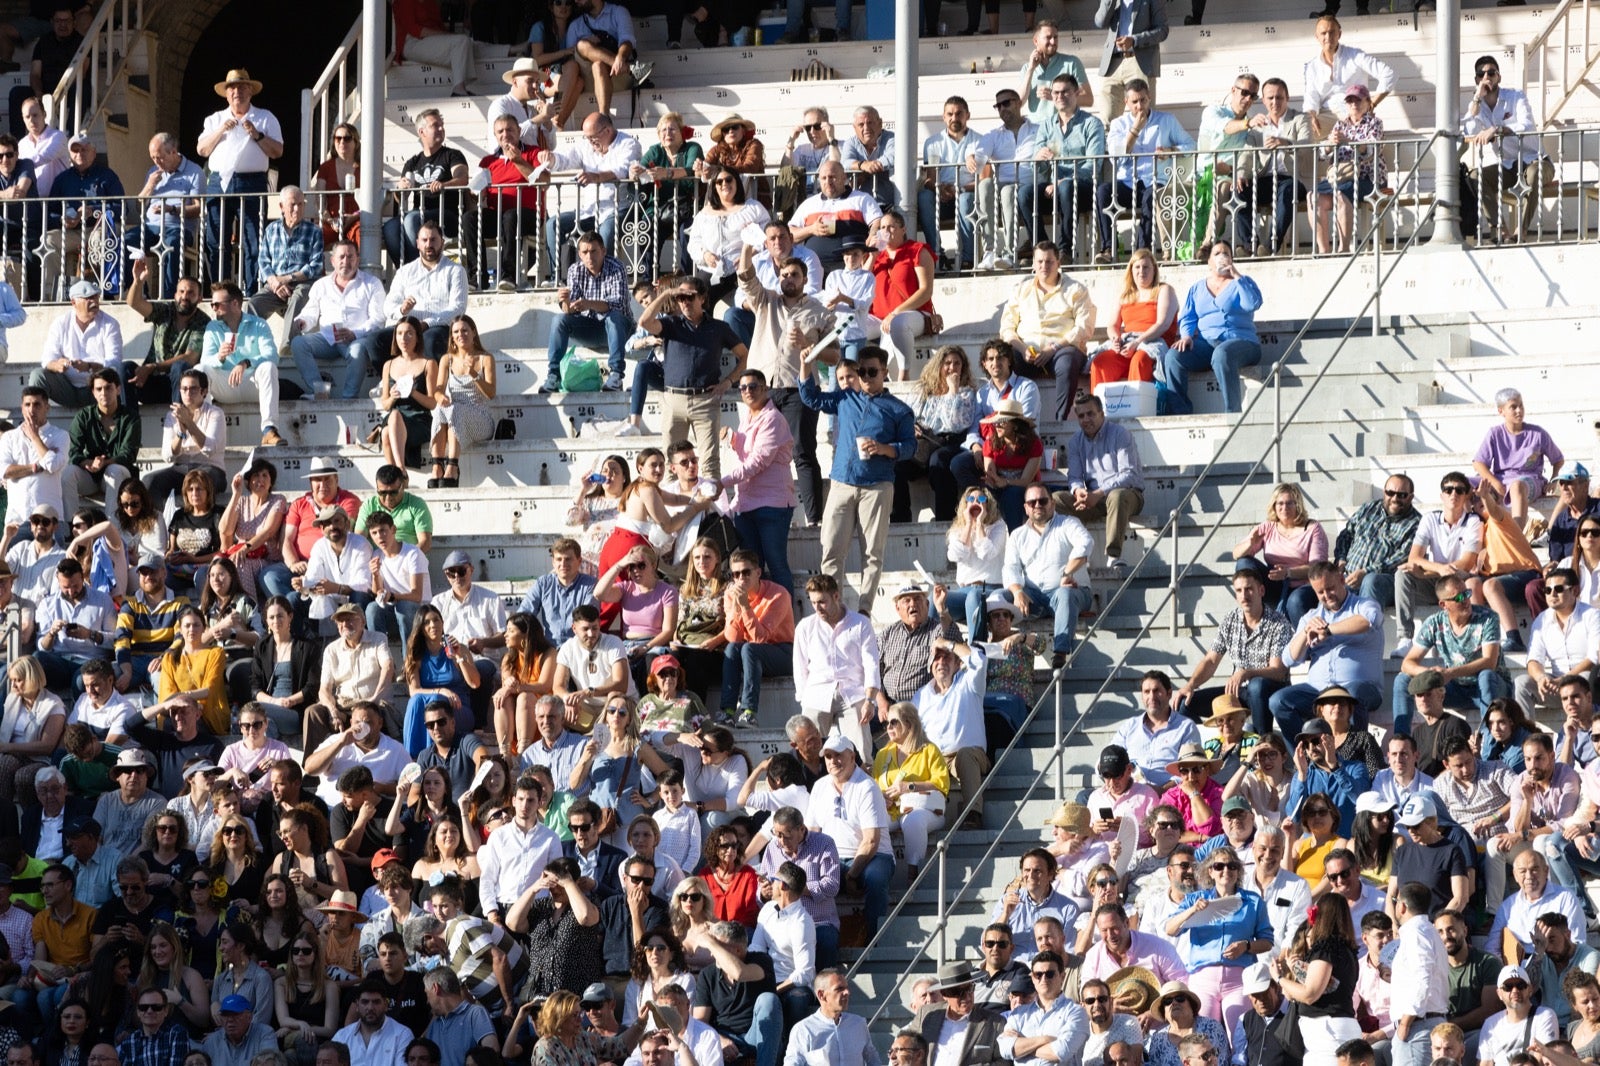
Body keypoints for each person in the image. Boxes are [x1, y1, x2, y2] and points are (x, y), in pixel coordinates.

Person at [800, 345, 913, 615]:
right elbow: (811, 398)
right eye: (861, 372)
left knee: (872, 554)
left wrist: (886, 449)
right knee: (830, 549)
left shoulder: (899, 410)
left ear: (885, 372)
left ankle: (863, 611)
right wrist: (805, 365)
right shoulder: (846, 398)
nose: (866, 377)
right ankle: (830, 608)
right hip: (842, 482)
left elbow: (910, 446)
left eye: (872, 372)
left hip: (877, 486)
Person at [1269, 563, 1385, 738]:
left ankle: (1353, 756)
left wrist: (1329, 630)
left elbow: (1368, 621)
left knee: (1349, 696)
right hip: (1319, 691)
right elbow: (1288, 660)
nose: (1326, 595)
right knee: (1278, 701)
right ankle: (1305, 760)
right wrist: (1305, 633)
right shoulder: (1311, 617)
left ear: (1341, 579)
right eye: (1320, 592)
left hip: (1361, 688)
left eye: (1330, 588)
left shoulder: (1364, 604)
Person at [197, 69, 281, 292]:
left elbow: (277, 151)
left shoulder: (265, 117)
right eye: (232, 88)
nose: (237, 92)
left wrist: (257, 135)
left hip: (252, 182)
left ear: (250, 92)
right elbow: (202, 150)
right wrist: (220, 131)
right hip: (218, 183)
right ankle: (219, 289)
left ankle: (251, 289)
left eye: (242, 87)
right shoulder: (215, 118)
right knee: (216, 241)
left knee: (253, 239)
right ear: (226, 94)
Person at [1095, 81, 1192, 262]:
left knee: (1150, 197)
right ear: (1126, 102)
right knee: (1103, 192)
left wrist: (1171, 151)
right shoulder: (1118, 124)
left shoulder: (1166, 120)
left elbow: (1190, 145)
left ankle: (1142, 251)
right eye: (1134, 102)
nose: (1140, 106)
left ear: (1149, 98)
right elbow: (1117, 157)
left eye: (1143, 100)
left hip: (1156, 180)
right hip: (1127, 182)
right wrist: (1135, 130)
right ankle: (1108, 248)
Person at [1165, 241, 1264, 416]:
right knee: (1173, 356)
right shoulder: (1197, 288)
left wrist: (1236, 275)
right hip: (1206, 344)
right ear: (1209, 262)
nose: (1222, 256)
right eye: (1217, 253)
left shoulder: (1242, 282)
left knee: (1222, 354)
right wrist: (1187, 336)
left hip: (1241, 342)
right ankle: (1180, 412)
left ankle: (1232, 413)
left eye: (1226, 253)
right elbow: (1187, 317)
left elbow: (1252, 304)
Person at [1003, 485, 1093, 671]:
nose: (1038, 505)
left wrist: (1067, 573)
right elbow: (1010, 567)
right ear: (1026, 508)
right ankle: (994, 646)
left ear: (1052, 504)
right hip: (1033, 597)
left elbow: (1085, 544)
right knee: (999, 597)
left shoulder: (1069, 523)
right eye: (1032, 502)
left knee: (1064, 594)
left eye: (1042, 501)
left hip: (1071, 592)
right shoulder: (1017, 535)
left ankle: (1060, 652)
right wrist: (1018, 591)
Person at [1462, 56, 1551, 245]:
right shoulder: (1479, 107)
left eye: (1491, 73)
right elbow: (1468, 131)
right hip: (1510, 166)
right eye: (1481, 74)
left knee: (1536, 173)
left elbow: (1526, 125)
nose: (1487, 77)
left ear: (1499, 77)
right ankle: (1500, 230)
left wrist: (1497, 129)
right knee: (1475, 177)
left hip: (1536, 160)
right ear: (1477, 79)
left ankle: (1521, 230)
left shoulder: (1515, 96)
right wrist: (1477, 97)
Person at [999, 243, 1094, 419]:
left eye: (1049, 261)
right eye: (1040, 261)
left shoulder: (1076, 290)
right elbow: (1007, 327)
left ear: (1058, 263)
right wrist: (1022, 349)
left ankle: (1061, 419)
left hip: (1063, 349)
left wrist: (1054, 348)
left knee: (1067, 363)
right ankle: (1014, 421)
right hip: (1028, 351)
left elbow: (1083, 327)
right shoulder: (1020, 289)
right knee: (1005, 360)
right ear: (1033, 264)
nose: (1044, 266)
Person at [289, 240, 385, 401]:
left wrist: (355, 333)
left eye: (350, 257)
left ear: (357, 259)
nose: (345, 261)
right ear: (332, 260)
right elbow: (310, 312)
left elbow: (378, 319)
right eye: (341, 257)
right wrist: (303, 322)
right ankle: (319, 392)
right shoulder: (321, 285)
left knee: (357, 351)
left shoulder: (372, 283)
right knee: (298, 343)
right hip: (327, 338)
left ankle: (348, 398)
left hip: (358, 338)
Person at [545, 112, 642, 265]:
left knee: (606, 233)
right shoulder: (586, 146)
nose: (590, 141)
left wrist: (596, 177)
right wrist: (551, 159)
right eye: (587, 137)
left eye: (592, 137)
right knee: (552, 224)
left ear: (607, 131)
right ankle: (555, 278)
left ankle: (605, 277)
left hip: (619, 208)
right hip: (589, 211)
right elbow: (566, 160)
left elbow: (623, 170)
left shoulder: (629, 144)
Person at [200, 280, 286, 448]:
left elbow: (272, 356)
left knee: (268, 367)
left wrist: (246, 362)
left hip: (252, 384)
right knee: (200, 370)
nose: (214, 308)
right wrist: (219, 357)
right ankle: (204, 431)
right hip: (225, 385)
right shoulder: (212, 327)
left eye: (217, 304)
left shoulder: (259, 323)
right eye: (212, 304)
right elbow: (205, 361)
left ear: (234, 304)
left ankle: (269, 430)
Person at [386, 109, 471, 267]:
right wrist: (401, 188)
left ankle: (420, 271)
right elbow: (400, 198)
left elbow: (462, 178)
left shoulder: (452, 155)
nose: (441, 129)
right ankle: (409, 272)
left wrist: (444, 184)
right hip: (421, 214)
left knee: (411, 219)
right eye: (435, 125)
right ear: (421, 132)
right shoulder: (413, 162)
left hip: (447, 215)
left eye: (442, 125)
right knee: (391, 227)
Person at [1311, 84, 1384, 255]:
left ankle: (1343, 248)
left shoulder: (1374, 123)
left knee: (1340, 196)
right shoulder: (1340, 125)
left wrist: (1349, 140)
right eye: (1350, 101)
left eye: (1358, 100)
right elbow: (1322, 154)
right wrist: (1329, 144)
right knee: (1312, 197)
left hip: (1367, 178)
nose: (1353, 104)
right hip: (1340, 177)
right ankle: (1323, 250)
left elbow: (1372, 151)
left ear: (1367, 102)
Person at [30, 284, 123, 413]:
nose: (94, 302)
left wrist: (90, 366)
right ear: (73, 302)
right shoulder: (60, 323)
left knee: (122, 375)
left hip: (97, 390)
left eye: (96, 297)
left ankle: (120, 424)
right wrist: (57, 365)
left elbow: (114, 364)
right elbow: (47, 359)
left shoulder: (110, 324)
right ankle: (34, 427)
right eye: (88, 298)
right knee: (38, 376)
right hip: (67, 388)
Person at [867, 210, 937, 382]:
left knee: (897, 323)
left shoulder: (917, 250)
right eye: (882, 227)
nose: (886, 231)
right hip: (879, 317)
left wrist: (896, 311)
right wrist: (871, 255)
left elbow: (925, 290)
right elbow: (860, 286)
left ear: (903, 229)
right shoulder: (877, 257)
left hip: (913, 313)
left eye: (891, 227)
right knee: (850, 325)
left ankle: (903, 374)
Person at [427, 316, 496, 490]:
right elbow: (438, 389)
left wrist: (473, 373)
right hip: (454, 414)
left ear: (473, 332)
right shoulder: (446, 359)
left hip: (481, 418)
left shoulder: (485, 358)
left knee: (454, 409)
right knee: (440, 409)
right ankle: (437, 466)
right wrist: (439, 397)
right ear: (451, 336)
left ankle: (452, 467)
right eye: (456, 331)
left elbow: (491, 394)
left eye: (465, 330)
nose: (461, 335)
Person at [1, 390, 69, 559]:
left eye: (37, 404)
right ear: (21, 408)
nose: (32, 409)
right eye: (27, 404)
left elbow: (53, 465)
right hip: (18, 519)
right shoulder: (9, 437)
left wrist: (34, 436)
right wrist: (36, 466)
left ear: (47, 407)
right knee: (15, 576)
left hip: (50, 519)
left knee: (54, 572)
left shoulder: (60, 435)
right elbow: (5, 471)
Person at [1302, 18, 1394, 140]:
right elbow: (1311, 96)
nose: (1328, 36)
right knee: (1303, 130)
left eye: (1332, 32)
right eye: (1323, 33)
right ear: (1317, 37)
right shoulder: (1312, 66)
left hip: (1354, 112)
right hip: (1327, 115)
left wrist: (1372, 103)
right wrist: (1311, 116)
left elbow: (1388, 74)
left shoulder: (1355, 55)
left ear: (1339, 34)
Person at [917, 97, 978, 272]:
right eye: (950, 114)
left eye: (959, 114)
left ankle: (968, 259)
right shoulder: (933, 142)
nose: (954, 118)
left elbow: (984, 180)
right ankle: (937, 254)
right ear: (943, 117)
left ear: (968, 115)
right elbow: (930, 177)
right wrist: (939, 188)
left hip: (969, 196)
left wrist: (960, 189)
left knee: (966, 200)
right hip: (942, 198)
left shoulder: (979, 141)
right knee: (924, 196)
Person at [1091, 0, 1166, 116]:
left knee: (1143, 117)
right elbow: (1100, 22)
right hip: (1113, 62)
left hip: (1139, 61)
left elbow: (1162, 30)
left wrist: (1135, 40)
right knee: (1107, 119)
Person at [1477, 965, 1559, 1066]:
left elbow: (1543, 1059)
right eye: (1508, 987)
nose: (1515, 991)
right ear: (1499, 994)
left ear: (1530, 989)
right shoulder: (1491, 1023)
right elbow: (1485, 1063)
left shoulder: (1545, 1015)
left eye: (1521, 985)